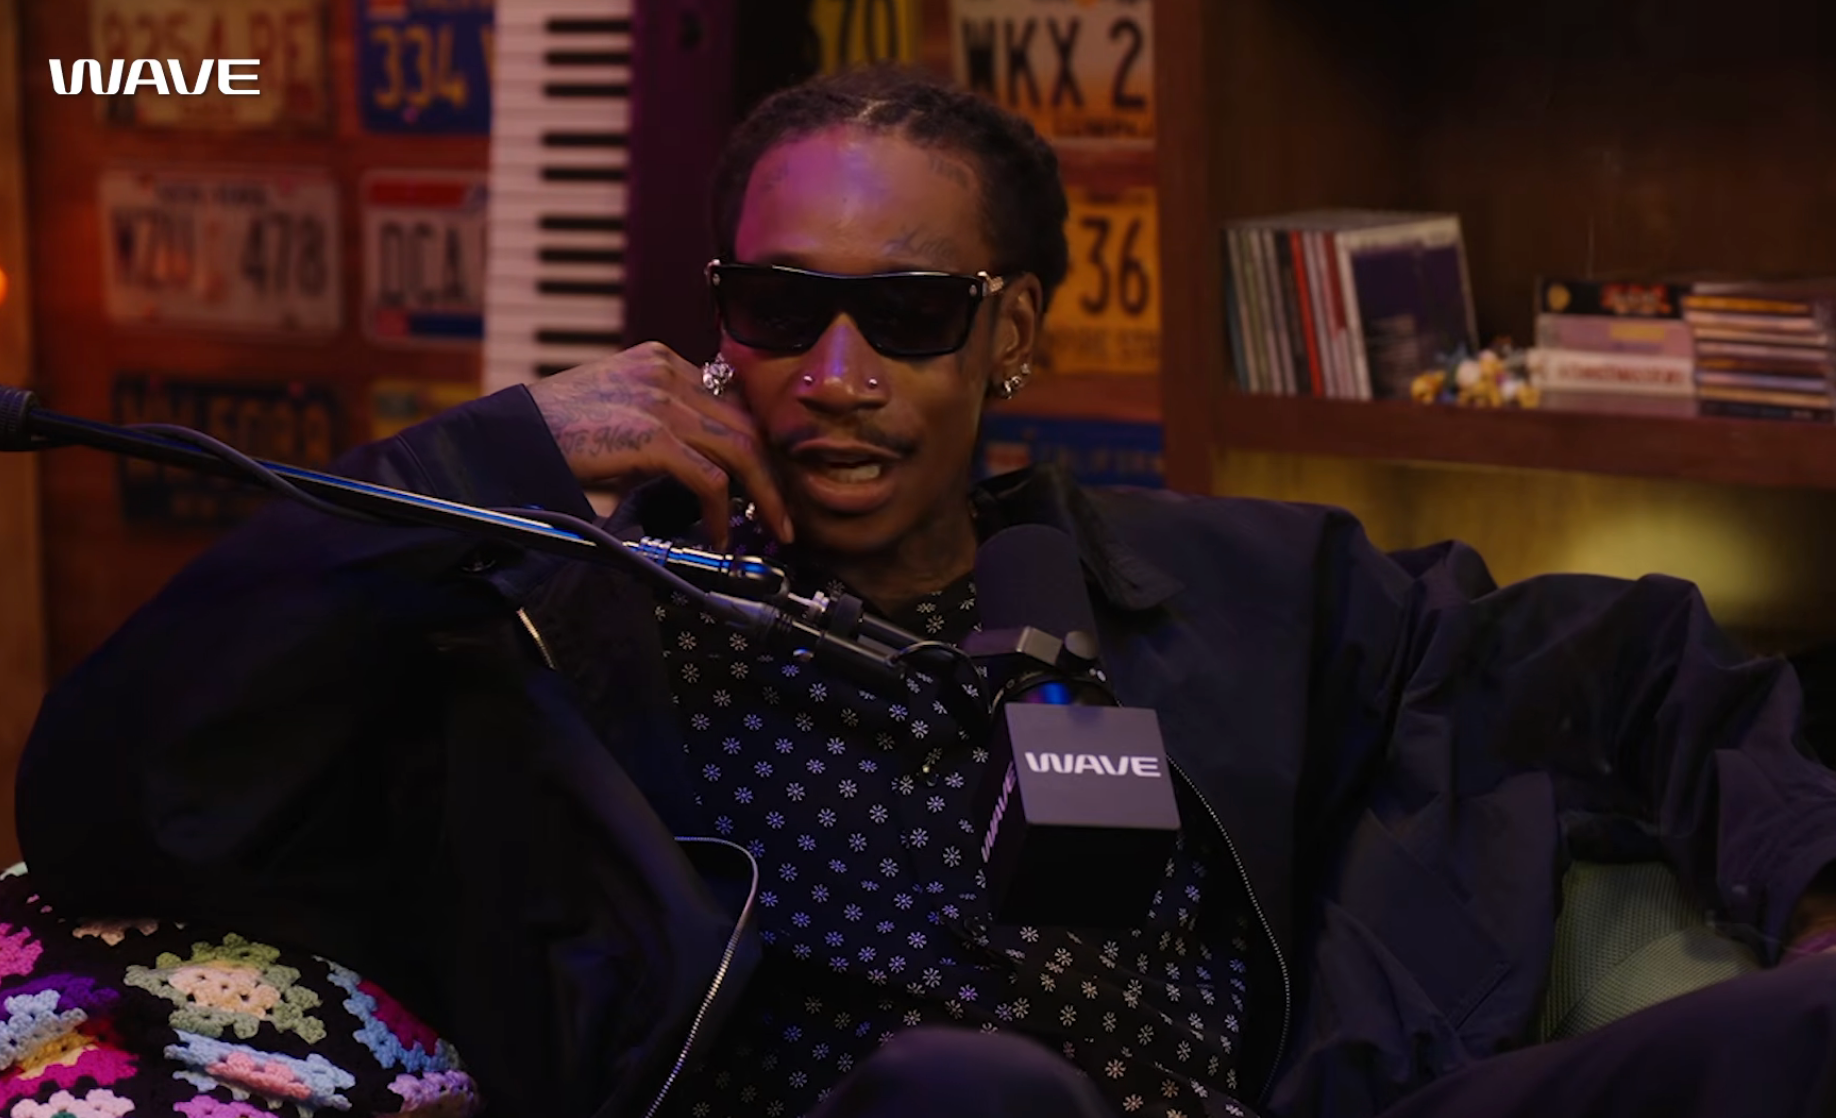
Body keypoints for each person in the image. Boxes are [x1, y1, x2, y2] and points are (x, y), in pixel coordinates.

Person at [18, 66, 1836, 1118]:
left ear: (1010, 333)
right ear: (717, 320)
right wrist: (490, 460)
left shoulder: (1229, 585)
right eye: (777, 309)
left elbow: (1631, 653)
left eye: (903, 315)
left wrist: (1816, 880)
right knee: (977, 1091)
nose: (834, 375)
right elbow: (110, 793)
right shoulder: (566, 632)